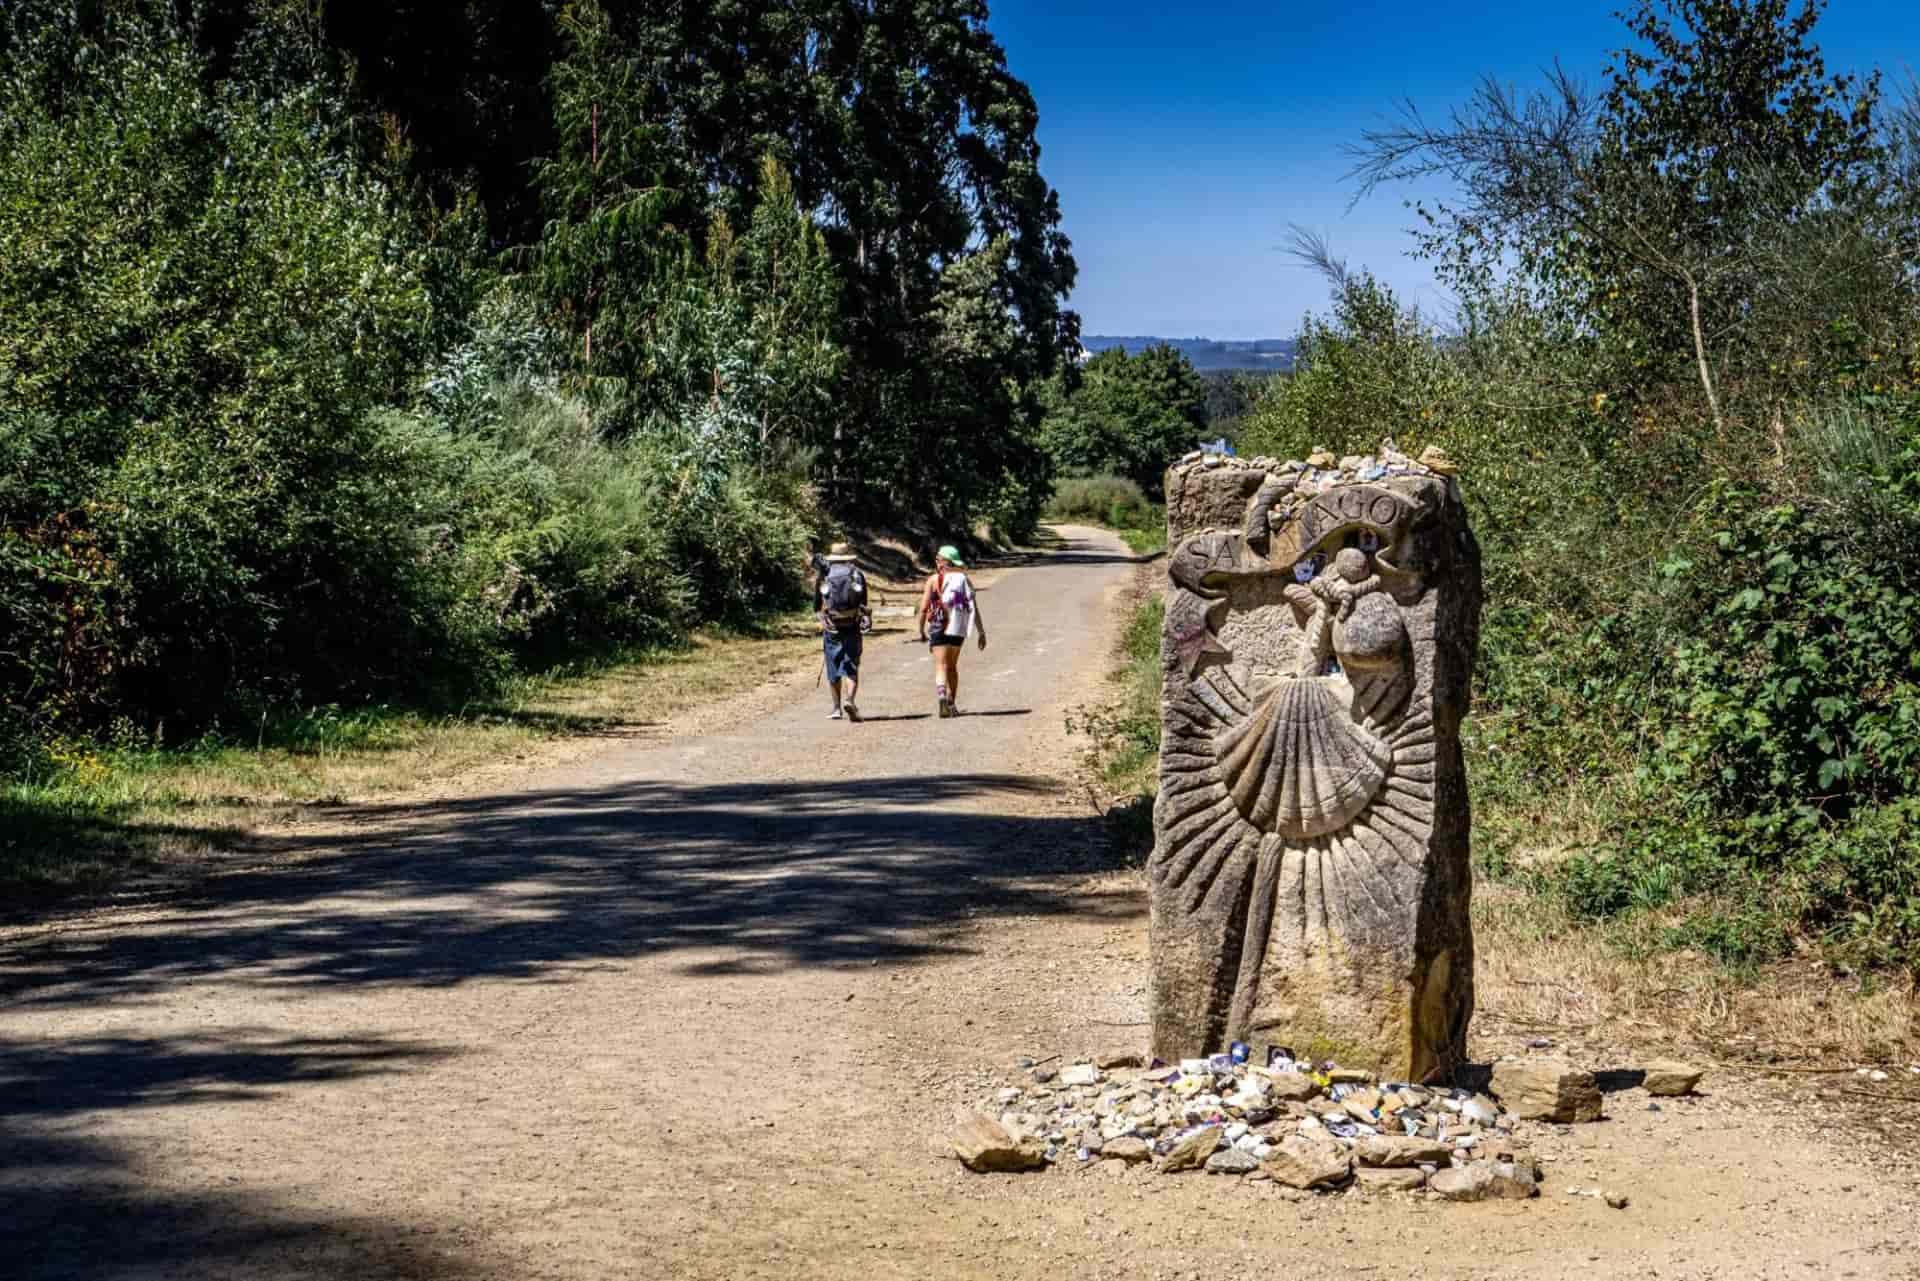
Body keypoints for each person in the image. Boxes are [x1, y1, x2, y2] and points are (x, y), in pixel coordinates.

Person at [916, 544, 986, 718]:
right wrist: (981, 631)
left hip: (939, 626)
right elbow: (973, 607)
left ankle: (941, 695)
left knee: (940, 665)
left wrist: (921, 631)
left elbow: (924, 609)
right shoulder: (964, 580)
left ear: (944, 562)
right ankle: (951, 703)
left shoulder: (933, 580)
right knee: (952, 667)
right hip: (957, 628)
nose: (936, 562)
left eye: (938, 559)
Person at [817, 542, 868, 721]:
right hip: (852, 626)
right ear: (847, 557)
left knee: (833, 667)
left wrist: (822, 619)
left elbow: (817, 605)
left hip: (832, 628)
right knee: (851, 664)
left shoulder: (824, 576)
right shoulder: (856, 574)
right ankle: (850, 700)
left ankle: (836, 708)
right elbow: (863, 603)